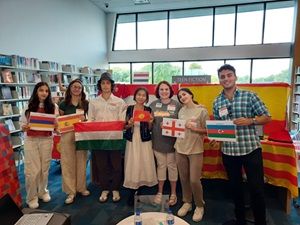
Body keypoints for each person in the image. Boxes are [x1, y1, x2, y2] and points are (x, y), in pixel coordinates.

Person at [213, 64, 271, 225]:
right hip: (229, 152)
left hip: (250, 149)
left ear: (235, 77)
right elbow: (219, 126)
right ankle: (240, 221)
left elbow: (267, 117)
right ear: (219, 80)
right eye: (223, 76)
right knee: (235, 189)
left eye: (229, 75)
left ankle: (261, 222)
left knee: (257, 190)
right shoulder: (217, 101)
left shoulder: (249, 96)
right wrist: (215, 136)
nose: (226, 79)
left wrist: (250, 120)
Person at [88, 72, 126, 203]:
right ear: (100, 85)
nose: (105, 85)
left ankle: (115, 188)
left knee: (116, 165)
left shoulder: (119, 102)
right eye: (103, 83)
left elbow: (122, 120)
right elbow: (91, 120)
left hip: (114, 138)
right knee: (101, 165)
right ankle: (104, 188)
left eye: (108, 83)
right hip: (99, 139)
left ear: (112, 85)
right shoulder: (93, 102)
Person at [20, 82, 58, 209]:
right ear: (36, 91)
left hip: (47, 140)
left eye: (46, 91)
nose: (44, 93)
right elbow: (22, 125)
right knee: (32, 171)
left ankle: (43, 192)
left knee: (44, 169)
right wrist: (24, 127)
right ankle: (31, 197)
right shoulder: (28, 105)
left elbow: (56, 125)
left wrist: (57, 126)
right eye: (41, 90)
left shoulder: (53, 106)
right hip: (31, 140)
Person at [174, 88, 209, 222]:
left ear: (191, 95)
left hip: (195, 149)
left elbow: (208, 130)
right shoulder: (181, 111)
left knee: (194, 179)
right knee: (183, 178)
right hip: (180, 148)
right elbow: (178, 128)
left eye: (184, 94)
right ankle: (187, 202)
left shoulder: (202, 110)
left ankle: (200, 205)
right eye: (180, 96)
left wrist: (195, 128)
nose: (182, 97)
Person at [123, 87, 157, 205]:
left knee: (144, 162)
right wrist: (129, 123)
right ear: (135, 96)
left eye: (143, 95)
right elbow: (125, 126)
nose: (141, 97)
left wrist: (150, 122)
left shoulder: (148, 109)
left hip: (144, 140)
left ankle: (142, 185)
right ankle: (132, 187)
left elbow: (150, 129)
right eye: (139, 94)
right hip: (132, 140)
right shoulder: (129, 109)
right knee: (132, 162)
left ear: (146, 98)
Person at [149, 81, 181, 206]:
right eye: (161, 89)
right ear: (158, 91)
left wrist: (170, 126)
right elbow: (150, 125)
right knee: (161, 166)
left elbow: (182, 123)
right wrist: (150, 122)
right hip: (158, 142)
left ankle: (173, 193)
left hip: (173, 143)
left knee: (172, 167)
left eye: (166, 89)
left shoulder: (177, 105)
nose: (164, 91)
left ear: (170, 91)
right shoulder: (152, 105)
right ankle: (160, 192)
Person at [59, 79, 90, 204]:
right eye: (74, 86)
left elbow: (90, 119)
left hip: (81, 135)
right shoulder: (63, 104)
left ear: (82, 90)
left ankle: (81, 187)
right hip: (67, 135)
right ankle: (70, 192)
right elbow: (60, 120)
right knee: (67, 163)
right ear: (70, 88)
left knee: (82, 161)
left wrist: (85, 119)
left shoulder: (86, 104)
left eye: (79, 87)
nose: (76, 89)